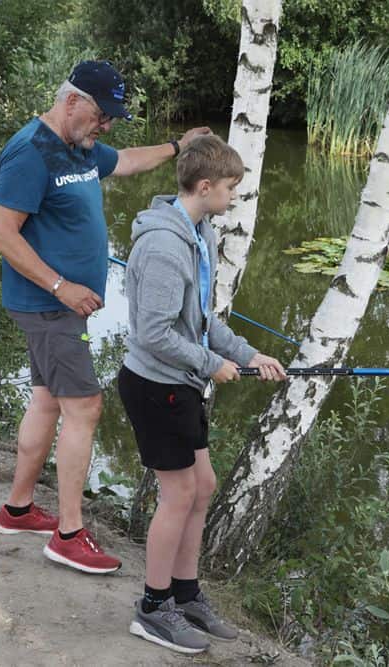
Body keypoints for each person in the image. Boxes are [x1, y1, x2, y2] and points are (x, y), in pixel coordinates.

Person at [0, 60, 211, 574]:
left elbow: (127, 160)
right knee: (85, 408)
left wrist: (179, 147)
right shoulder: (30, 152)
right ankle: (69, 534)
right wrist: (62, 287)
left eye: (110, 117)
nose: (105, 125)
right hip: (49, 307)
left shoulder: (79, 146)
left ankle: (17, 509)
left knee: (46, 401)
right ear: (71, 101)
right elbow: (2, 235)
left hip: (58, 308)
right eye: (100, 115)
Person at [117, 134, 286, 653]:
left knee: (203, 484)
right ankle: (153, 607)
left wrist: (244, 354)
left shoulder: (199, 231)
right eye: (231, 188)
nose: (233, 197)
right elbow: (155, 334)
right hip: (154, 385)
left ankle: (186, 594)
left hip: (180, 385)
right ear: (206, 185)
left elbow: (201, 318)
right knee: (180, 494)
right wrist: (213, 366)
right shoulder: (166, 244)